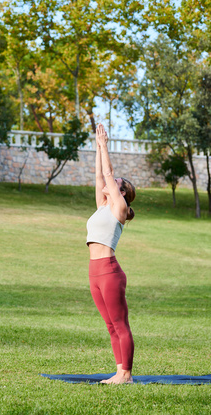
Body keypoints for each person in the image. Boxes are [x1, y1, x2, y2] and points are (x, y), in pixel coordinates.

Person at [86, 124, 136, 384]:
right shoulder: (102, 206)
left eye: (115, 184)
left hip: (109, 272)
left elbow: (108, 172)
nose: (108, 183)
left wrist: (105, 145)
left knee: (119, 322)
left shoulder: (119, 206)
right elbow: (99, 177)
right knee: (109, 325)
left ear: (123, 192)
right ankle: (119, 371)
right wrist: (97, 146)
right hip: (94, 272)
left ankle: (125, 375)